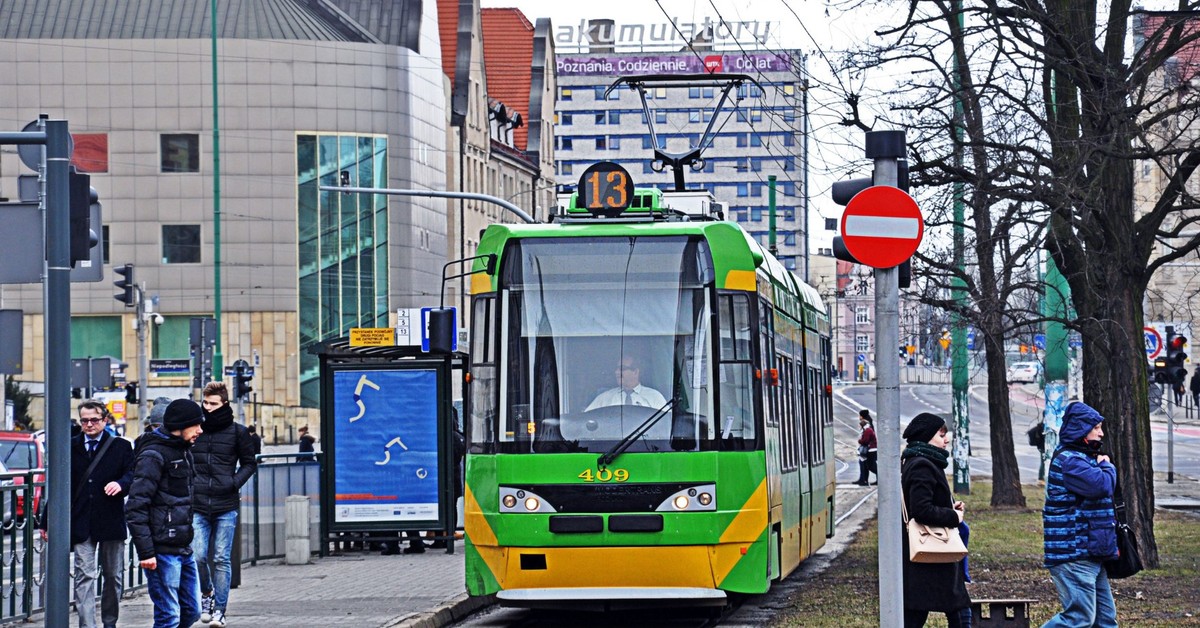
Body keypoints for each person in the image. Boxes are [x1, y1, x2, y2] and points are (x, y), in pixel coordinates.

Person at [43, 400, 136, 628]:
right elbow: (58, 486)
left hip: (110, 521)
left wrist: (121, 484)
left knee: (113, 577)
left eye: (94, 420)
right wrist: (46, 521)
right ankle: (87, 625)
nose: (89, 424)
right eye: (84, 420)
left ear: (105, 420)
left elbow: (133, 475)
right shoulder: (69, 446)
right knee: (85, 575)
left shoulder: (121, 446)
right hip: (82, 521)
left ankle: (109, 622)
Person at [127, 398, 205, 628]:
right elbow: (135, 506)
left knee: (192, 611)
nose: (200, 431)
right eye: (196, 425)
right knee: (168, 616)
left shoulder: (184, 451)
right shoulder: (153, 455)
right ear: (179, 426)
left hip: (182, 546)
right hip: (161, 551)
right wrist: (146, 552)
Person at [1042, 401, 1119, 628]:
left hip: (1089, 551)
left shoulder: (1081, 458)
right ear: (1081, 429)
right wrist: (1107, 465)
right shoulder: (1071, 461)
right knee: (1079, 618)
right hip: (1073, 553)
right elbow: (1102, 485)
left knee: (1105, 620)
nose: (1101, 433)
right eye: (1096, 428)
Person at [193, 381, 258, 627]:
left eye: (213, 403)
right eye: (205, 403)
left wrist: (233, 483)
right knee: (198, 556)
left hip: (225, 504)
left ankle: (220, 610)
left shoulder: (238, 432)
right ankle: (207, 593)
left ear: (224, 404)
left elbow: (250, 463)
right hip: (197, 503)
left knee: (221, 558)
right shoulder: (195, 428)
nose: (208, 408)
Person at [900, 412, 972, 627]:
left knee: (918, 611)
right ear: (927, 437)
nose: (946, 439)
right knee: (958, 609)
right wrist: (954, 516)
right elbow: (921, 509)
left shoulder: (917, 461)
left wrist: (949, 506)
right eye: (941, 435)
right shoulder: (923, 465)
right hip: (932, 552)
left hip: (928, 556)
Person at [584, 355, 668, 411]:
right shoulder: (605, 398)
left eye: (622, 368)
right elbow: (586, 419)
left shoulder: (654, 397)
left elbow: (666, 423)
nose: (616, 372)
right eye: (616, 368)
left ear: (635, 372)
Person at [854, 409, 877, 486]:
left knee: (868, 465)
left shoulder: (867, 428)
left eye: (860, 415)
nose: (859, 417)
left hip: (869, 449)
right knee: (865, 464)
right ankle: (863, 479)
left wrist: (860, 441)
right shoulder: (868, 425)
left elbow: (866, 440)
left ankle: (864, 480)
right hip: (868, 449)